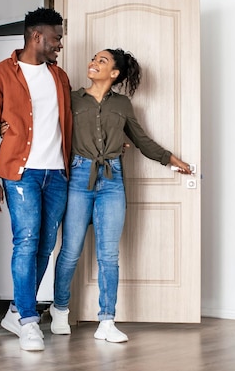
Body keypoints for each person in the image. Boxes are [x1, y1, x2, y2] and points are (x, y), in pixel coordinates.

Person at [47, 48, 192, 343]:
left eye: (102, 61)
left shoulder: (123, 104)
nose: (93, 63)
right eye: (93, 59)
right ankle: (60, 309)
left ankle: (107, 321)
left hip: (112, 181)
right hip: (78, 178)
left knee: (109, 255)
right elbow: (53, 131)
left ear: (114, 73)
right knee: (71, 250)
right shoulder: (72, 98)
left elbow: (139, 139)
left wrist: (170, 159)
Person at [0, 7, 72, 351]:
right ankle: (29, 322)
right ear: (37, 36)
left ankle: (16, 310)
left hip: (57, 174)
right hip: (20, 174)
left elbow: (69, 123)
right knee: (27, 242)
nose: (59, 44)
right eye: (56, 38)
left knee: (46, 244)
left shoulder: (59, 77)